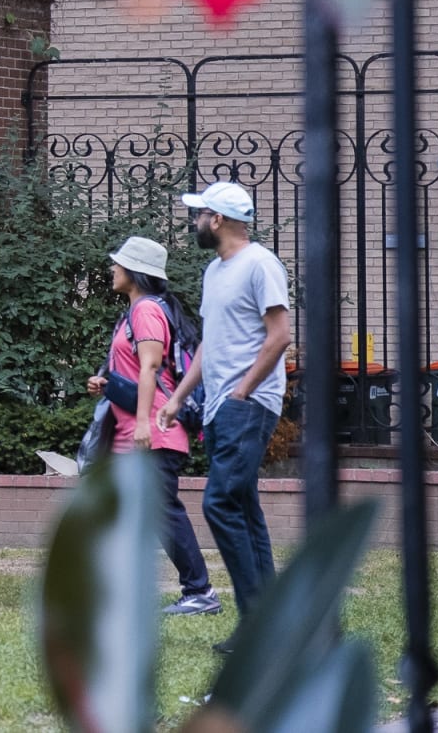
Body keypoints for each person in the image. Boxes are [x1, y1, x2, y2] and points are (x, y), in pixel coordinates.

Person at [157, 180, 291, 651]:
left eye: (199, 215)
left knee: (218, 502)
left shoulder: (261, 264)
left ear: (217, 219)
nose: (194, 222)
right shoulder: (214, 272)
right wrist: (177, 398)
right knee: (243, 508)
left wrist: (242, 391)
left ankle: (257, 627)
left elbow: (280, 336)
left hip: (247, 405)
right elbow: (209, 347)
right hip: (217, 408)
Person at [85, 236, 218, 616]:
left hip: (153, 431)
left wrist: (143, 422)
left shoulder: (145, 311)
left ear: (135, 273)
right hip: (139, 430)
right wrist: (106, 382)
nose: (112, 269)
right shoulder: (137, 311)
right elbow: (132, 369)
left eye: (118, 264)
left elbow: (152, 367)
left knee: (162, 511)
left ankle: (201, 592)